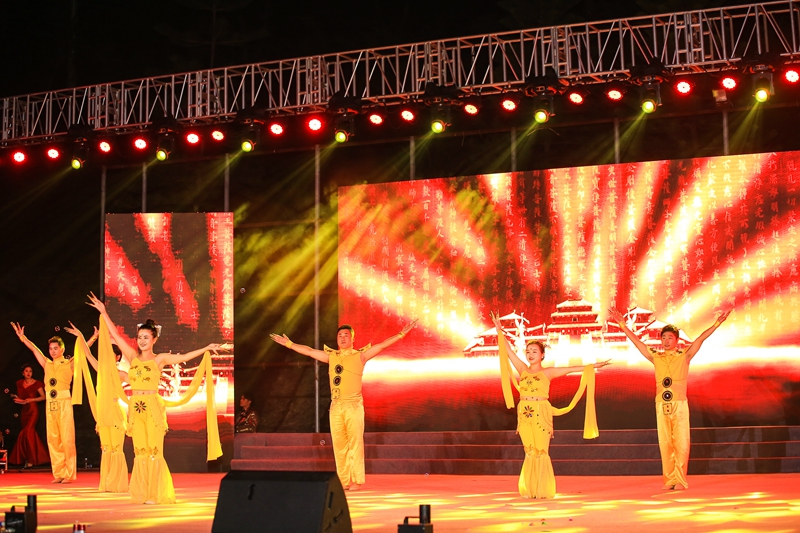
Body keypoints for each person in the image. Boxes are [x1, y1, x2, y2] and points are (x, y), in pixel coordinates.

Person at [87, 292, 227, 504]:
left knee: (154, 450)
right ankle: (142, 493)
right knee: (140, 452)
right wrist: (104, 313)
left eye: (146, 337)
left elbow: (183, 357)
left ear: (154, 339)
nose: (142, 341)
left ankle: (155, 494)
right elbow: (115, 335)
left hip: (152, 407)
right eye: (140, 337)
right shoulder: (132, 357)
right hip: (136, 408)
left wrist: (205, 348)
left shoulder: (159, 359)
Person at [270, 318, 418, 491]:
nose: (342, 338)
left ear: (352, 338)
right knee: (339, 445)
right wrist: (289, 344)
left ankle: (356, 480)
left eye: (346, 335)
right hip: (336, 406)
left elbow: (382, 346)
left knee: (355, 443)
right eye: (339, 335)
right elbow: (309, 351)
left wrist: (401, 334)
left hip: (353, 405)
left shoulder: (360, 356)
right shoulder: (331, 356)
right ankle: (344, 480)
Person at [608, 307, 732, 490]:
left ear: (677, 340)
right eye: (664, 338)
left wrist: (717, 323)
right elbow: (637, 342)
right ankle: (670, 480)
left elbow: (700, 339)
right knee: (665, 443)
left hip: (679, 404)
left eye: (670, 338)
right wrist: (622, 324)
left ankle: (680, 479)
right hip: (661, 404)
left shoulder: (685, 356)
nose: (666, 341)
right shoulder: (655, 356)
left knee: (681, 442)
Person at [492, 312, 610, 499]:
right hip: (524, 414)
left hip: (541, 413)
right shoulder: (522, 370)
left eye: (534, 351)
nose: (530, 354)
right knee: (529, 450)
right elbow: (508, 352)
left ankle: (542, 490)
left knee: (541, 450)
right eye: (528, 351)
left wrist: (593, 366)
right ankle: (530, 489)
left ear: (542, 355)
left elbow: (571, 369)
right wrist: (500, 331)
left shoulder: (548, 372)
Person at [10, 322, 96, 483]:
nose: (53, 351)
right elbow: (34, 349)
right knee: (53, 439)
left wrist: (92, 338)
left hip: (64, 402)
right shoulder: (47, 363)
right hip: (50, 404)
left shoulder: (69, 363)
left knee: (67, 438)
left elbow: (83, 352)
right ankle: (59, 473)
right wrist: (23, 338)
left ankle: (69, 474)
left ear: (62, 349)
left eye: (56, 348)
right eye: (50, 349)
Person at [64, 322, 129, 493]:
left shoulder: (122, 374)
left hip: (115, 412)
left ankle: (117, 483)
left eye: (110, 354)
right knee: (106, 448)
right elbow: (87, 353)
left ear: (117, 357)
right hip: (103, 413)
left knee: (116, 448)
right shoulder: (101, 369)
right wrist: (80, 335)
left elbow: (139, 385)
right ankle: (107, 482)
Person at [8, 364, 49, 469]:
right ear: (23, 373)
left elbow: (44, 397)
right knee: (28, 434)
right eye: (26, 371)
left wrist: (32, 399)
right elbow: (22, 397)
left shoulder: (37, 383)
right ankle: (28, 458)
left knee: (28, 432)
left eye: (30, 371)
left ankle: (31, 460)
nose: (28, 373)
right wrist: (17, 398)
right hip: (24, 411)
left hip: (33, 410)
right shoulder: (19, 383)